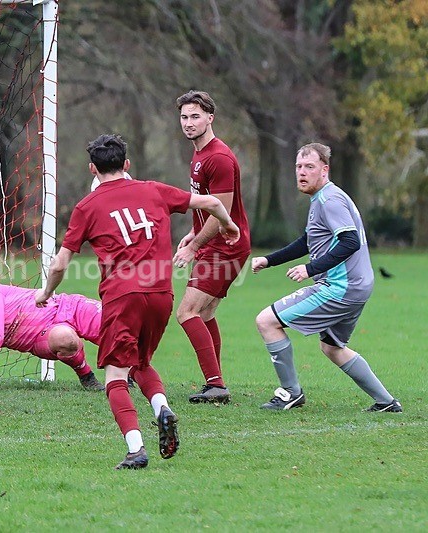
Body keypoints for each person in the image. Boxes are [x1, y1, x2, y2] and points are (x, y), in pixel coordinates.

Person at [36, 134, 240, 469]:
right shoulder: (153, 190)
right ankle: (162, 407)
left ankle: (136, 449)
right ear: (126, 165)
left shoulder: (87, 207)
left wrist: (46, 293)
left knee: (116, 376)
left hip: (122, 297)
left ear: (92, 168)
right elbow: (214, 204)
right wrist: (229, 227)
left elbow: (60, 263)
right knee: (140, 363)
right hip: (161, 294)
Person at [251, 142, 401, 412]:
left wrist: (309, 269)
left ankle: (290, 392)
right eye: (298, 167)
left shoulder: (328, 200)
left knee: (266, 321)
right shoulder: (325, 198)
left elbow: (350, 241)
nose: (302, 172)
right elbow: (308, 241)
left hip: (339, 288)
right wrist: (269, 260)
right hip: (358, 287)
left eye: (309, 167)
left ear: (324, 169)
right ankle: (386, 402)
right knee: (332, 347)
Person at [172, 90, 252, 404]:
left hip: (225, 247)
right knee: (203, 314)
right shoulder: (200, 153)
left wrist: (195, 248)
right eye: (184, 117)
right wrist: (193, 236)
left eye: (195, 116)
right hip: (214, 243)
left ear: (210, 118)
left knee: (186, 312)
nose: (189, 123)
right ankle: (215, 383)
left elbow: (223, 213)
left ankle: (216, 385)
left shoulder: (218, 158)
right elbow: (208, 209)